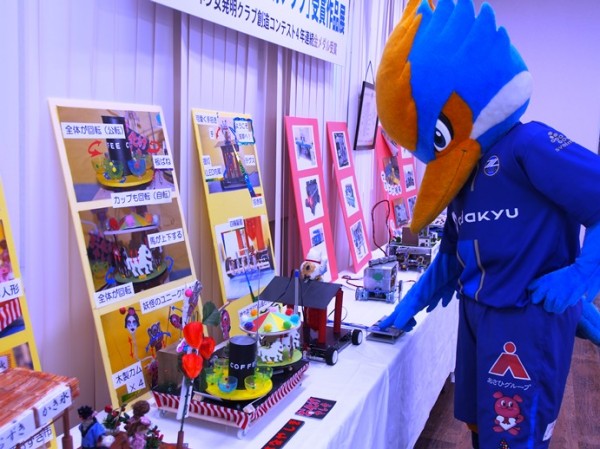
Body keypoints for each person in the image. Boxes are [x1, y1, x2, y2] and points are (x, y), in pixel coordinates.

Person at [375, 0, 600, 448]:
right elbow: (452, 255)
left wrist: (580, 276)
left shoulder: (529, 145)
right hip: (476, 316)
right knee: (481, 428)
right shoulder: (463, 170)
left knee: (515, 436)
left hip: (525, 320)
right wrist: (410, 304)